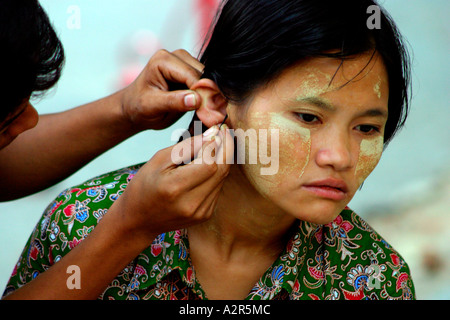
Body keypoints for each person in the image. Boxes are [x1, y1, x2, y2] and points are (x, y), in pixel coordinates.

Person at [4, 0, 416, 300]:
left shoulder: (376, 276)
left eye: (366, 127)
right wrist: (128, 226)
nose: (340, 156)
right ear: (217, 103)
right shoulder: (81, 224)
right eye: (308, 118)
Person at [1, 0, 232, 299]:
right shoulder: (74, 221)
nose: (31, 121)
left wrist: (125, 109)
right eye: (305, 117)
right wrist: (131, 226)